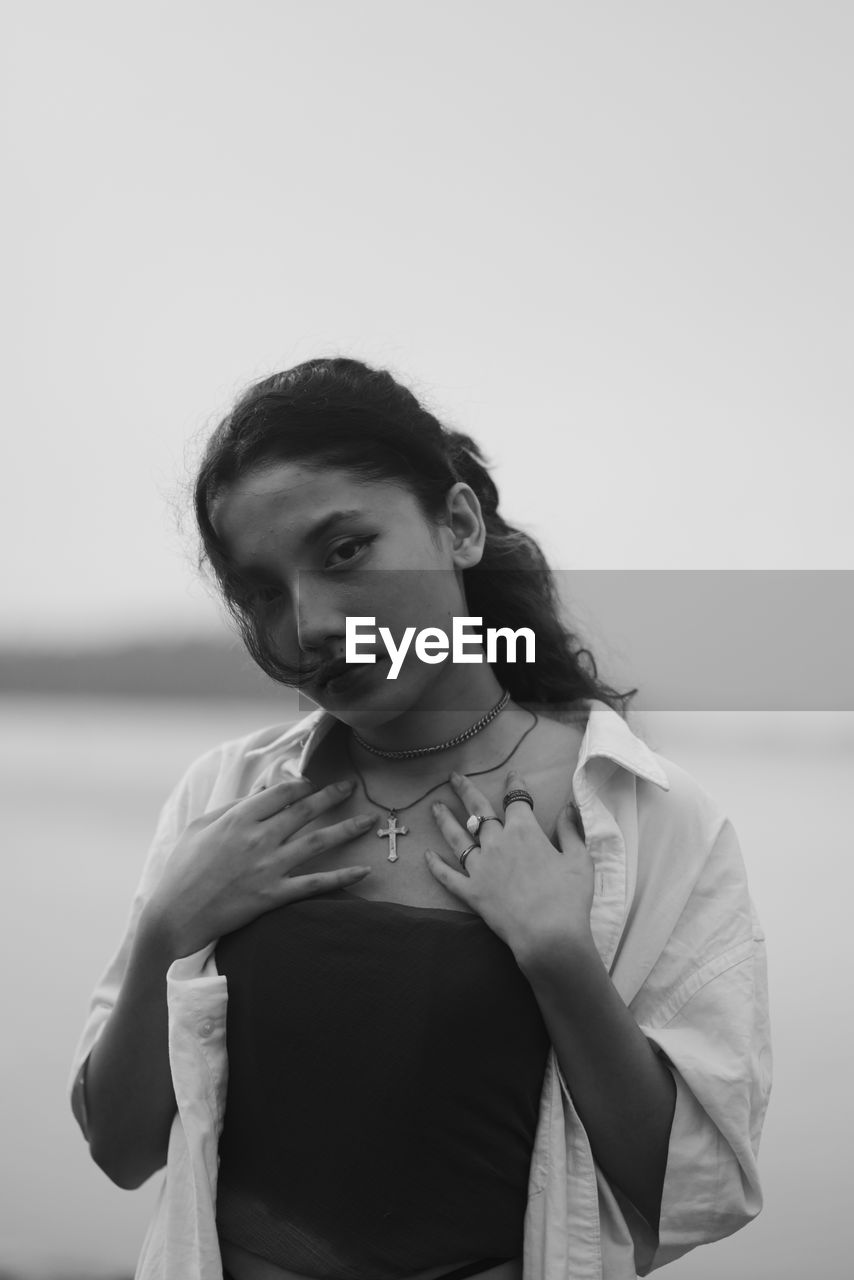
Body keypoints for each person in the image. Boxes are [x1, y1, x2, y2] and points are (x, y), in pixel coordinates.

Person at [68, 357, 772, 1280]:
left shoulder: (649, 818)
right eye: (263, 593)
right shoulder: (225, 800)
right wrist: (169, 923)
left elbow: (692, 1197)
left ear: (460, 525)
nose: (309, 625)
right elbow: (123, 1152)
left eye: (345, 550)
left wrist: (560, 956)